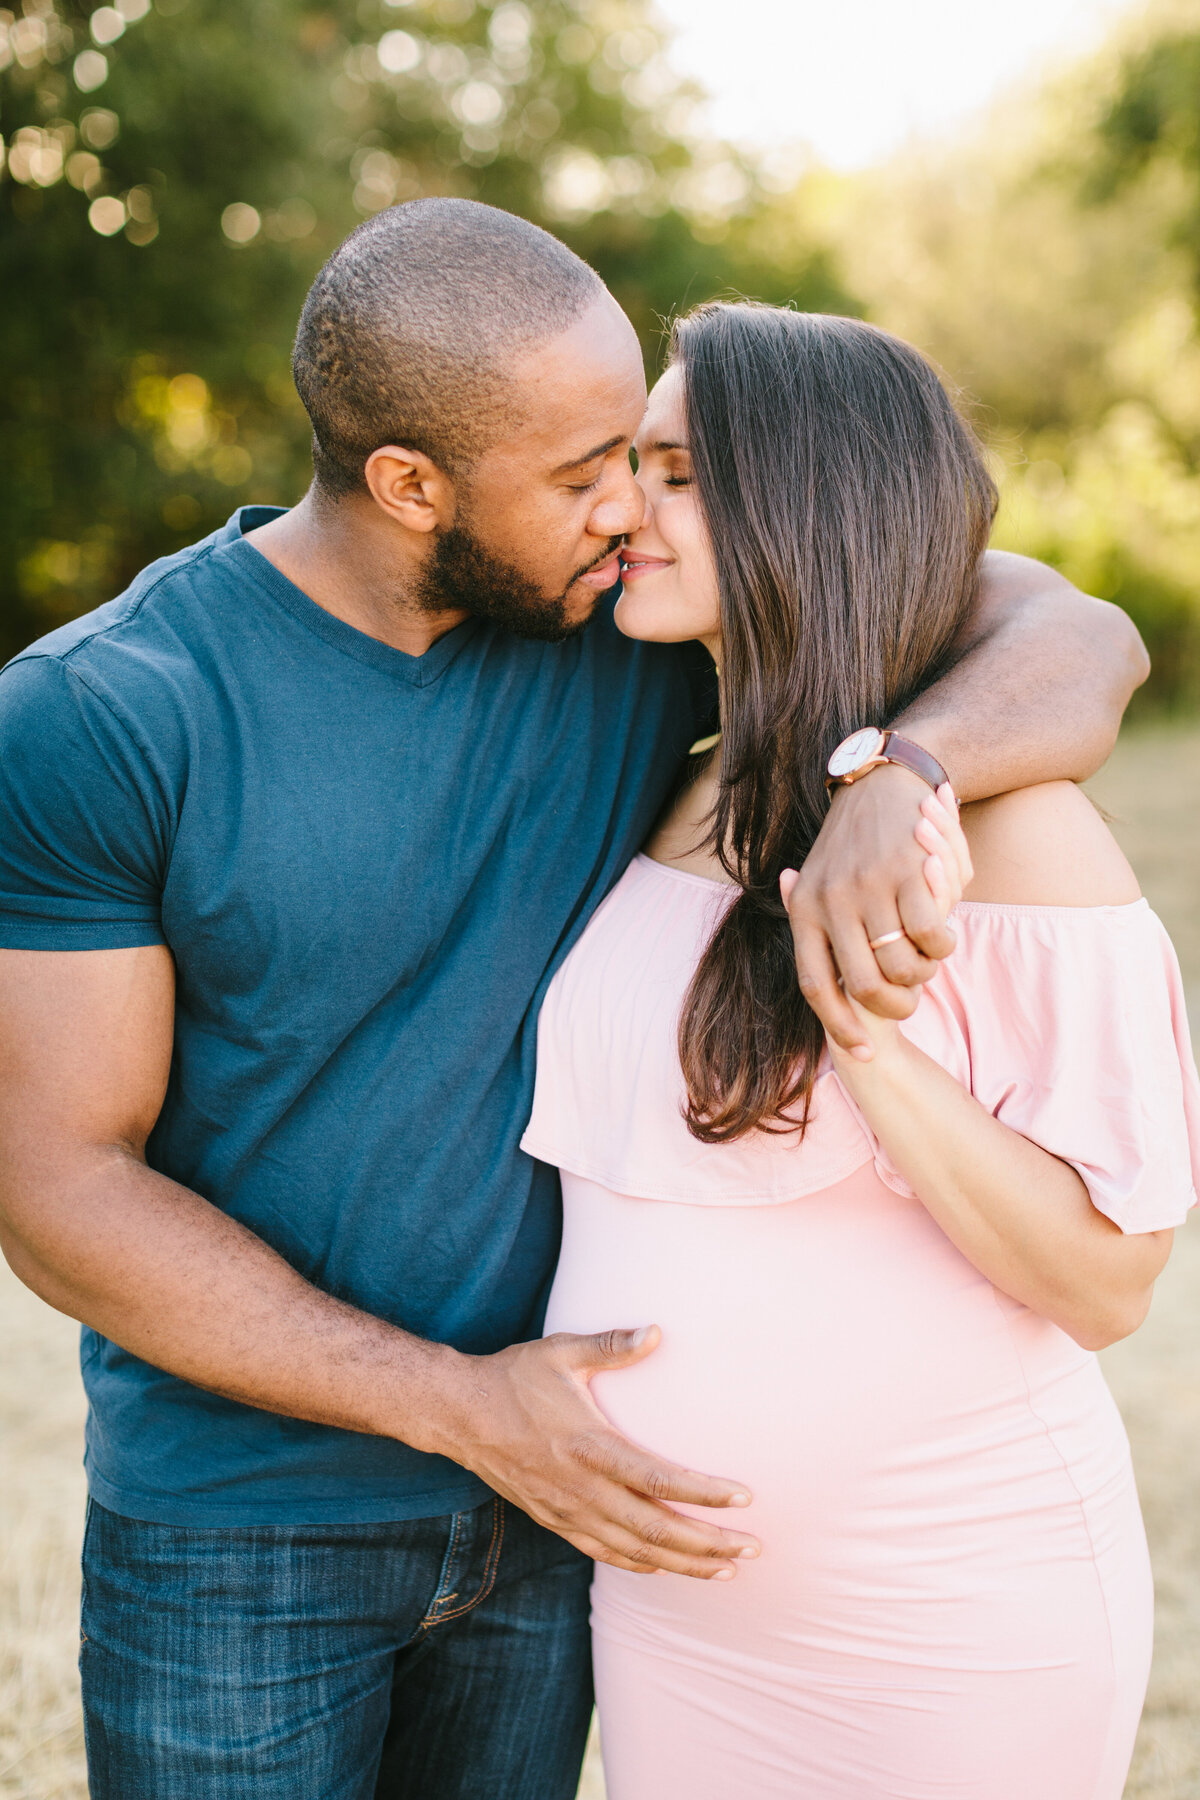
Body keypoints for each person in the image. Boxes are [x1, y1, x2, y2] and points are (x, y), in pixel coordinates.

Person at [0, 204, 1145, 1800]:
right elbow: (58, 1189)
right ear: (411, 484)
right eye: (587, 468)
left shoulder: (618, 627)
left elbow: (1069, 630)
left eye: (648, 456)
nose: (629, 509)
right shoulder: (109, 714)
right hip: (243, 1529)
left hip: (562, 1534)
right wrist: (468, 1410)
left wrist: (909, 764)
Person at [522, 303, 1200, 1800]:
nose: (627, 505)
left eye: (682, 470)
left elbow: (1108, 1281)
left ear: (809, 505)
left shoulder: (1016, 835)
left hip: (948, 1615)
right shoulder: (669, 788)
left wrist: (872, 1045)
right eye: (634, 461)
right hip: (673, 1615)